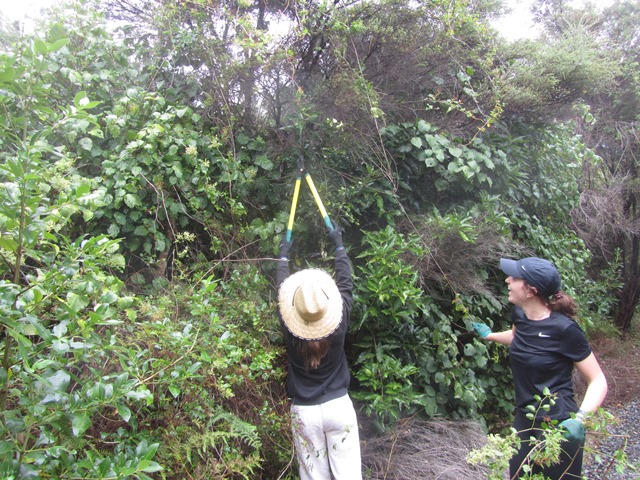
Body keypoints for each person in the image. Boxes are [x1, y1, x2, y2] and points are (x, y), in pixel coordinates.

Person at [472, 257, 608, 479]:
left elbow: (598, 380)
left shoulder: (565, 330)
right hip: (524, 419)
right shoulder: (520, 314)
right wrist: (490, 336)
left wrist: (579, 421)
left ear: (530, 290)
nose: (507, 280)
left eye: (515, 278)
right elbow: (518, 338)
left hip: (558, 425)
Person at [276, 223, 362, 480]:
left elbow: (280, 291)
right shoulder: (340, 322)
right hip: (338, 407)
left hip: (305, 413)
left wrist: (283, 255)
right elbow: (346, 284)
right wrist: (339, 245)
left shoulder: (290, 329)